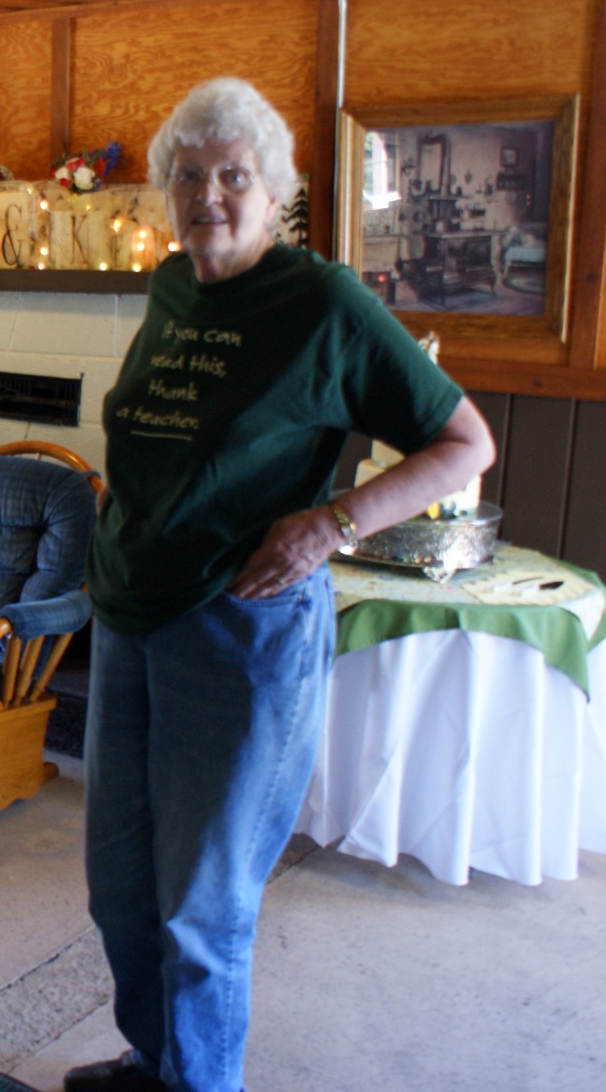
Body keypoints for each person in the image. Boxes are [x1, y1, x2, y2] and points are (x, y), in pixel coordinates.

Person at [68, 77, 496, 1092]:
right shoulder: (174, 287)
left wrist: (333, 521)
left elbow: (465, 442)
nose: (208, 195)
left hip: (240, 628)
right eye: (188, 175)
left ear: (275, 193)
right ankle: (153, 1061)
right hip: (131, 614)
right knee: (121, 887)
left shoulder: (324, 304)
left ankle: (197, 1082)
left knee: (201, 907)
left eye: (233, 176)